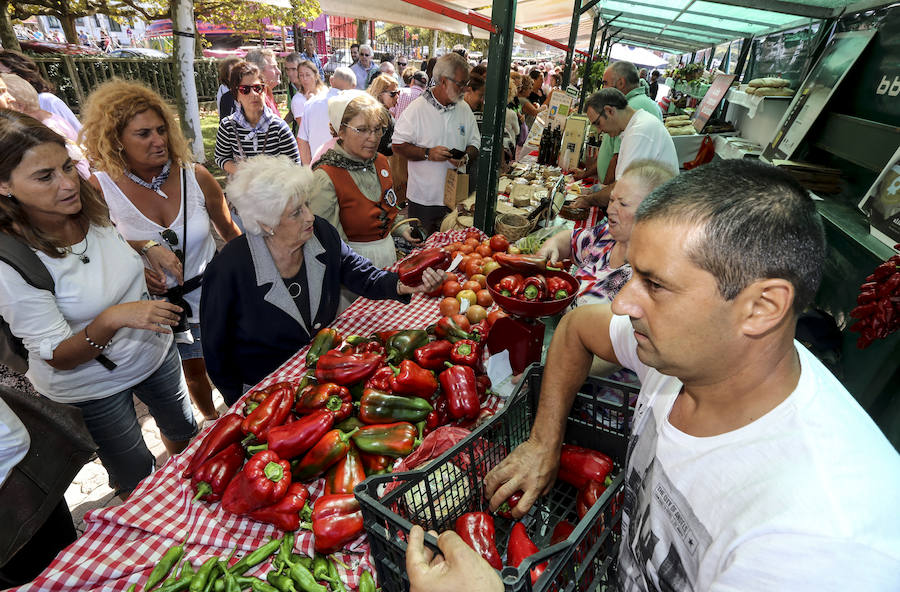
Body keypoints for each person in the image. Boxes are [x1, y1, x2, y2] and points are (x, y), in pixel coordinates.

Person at [408, 159, 900, 591]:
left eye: (655, 285)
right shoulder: (689, 354)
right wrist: (544, 441)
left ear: (762, 308)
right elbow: (579, 327)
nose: (622, 302)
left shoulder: (823, 544)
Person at [0, 110, 198, 499]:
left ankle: (188, 496)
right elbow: (57, 355)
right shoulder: (10, 261)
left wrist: (145, 251)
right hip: (91, 386)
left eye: (67, 167)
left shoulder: (87, 201)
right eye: (45, 177)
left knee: (185, 436)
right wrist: (114, 318)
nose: (67, 183)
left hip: (153, 353)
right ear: (4, 185)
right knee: (135, 473)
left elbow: (104, 254)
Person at [200, 155, 445, 405]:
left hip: (321, 382)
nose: (310, 217)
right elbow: (215, 351)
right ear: (266, 224)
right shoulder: (229, 269)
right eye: (296, 212)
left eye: (307, 204)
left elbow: (360, 273)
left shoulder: (322, 234)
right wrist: (238, 401)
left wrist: (402, 284)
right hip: (266, 393)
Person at [80, 80, 240, 425]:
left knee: (232, 359)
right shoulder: (100, 189)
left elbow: (230, 233)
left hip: (215, 294)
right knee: (193, 373)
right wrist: (143, 246)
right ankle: (213, 421)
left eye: (161, 130)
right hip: (156, 310)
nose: (158, 140)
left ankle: (241, 410)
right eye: (143, 134)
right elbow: (92, 253)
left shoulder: (195, 176)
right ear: (115, 140)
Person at [538, 160, 674, 307]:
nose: (610, 210)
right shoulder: (607, 236)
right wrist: (552, 246)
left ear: (654, 214)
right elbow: (571, 240)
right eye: (611, 200)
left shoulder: (648, 280)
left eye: (622, 204)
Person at [310, 92, 418, 265]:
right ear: (341, 131)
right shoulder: (325, 177)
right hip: (352, 267)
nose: (373, 138)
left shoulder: (381, 162)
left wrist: (402, 228)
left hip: (387, 257)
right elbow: (330, 243)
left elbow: (388, 206)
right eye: (362, 130)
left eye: (377, 129)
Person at [393, 52, 480, 236]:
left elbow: (475, 143)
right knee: (424, 251)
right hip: (424, 199)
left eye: (466, 85)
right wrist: (427, 153)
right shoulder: (417, 109)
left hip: (456, 199)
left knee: (453, 250)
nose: (465, 90)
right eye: (460, 84)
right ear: (443, 81)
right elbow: (397, 145)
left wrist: (465, 157)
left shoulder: (464, 108)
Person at [573, 89, 677, 210]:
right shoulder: (636, 127)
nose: (599, 130)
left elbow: (622, 190)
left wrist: (588, 200)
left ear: (609, 111)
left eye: (597, 123)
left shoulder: (639, 132)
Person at [574, 61, 662, 190]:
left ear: (621, 83)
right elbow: (610, 151)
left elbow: (617, 157)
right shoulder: (636, 103)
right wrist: (586, 174)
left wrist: (603, 193)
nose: (603, 88)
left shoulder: (631, 107)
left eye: (605, 83)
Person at [215, 61, 300, 177]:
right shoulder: (227, 126)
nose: (253, 94)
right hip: (241, 193)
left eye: (257, 88)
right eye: (245, 89)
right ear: (236, 95)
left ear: (264, 91)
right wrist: (244, 172)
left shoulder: (279, 128)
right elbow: (221, 157)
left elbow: (295, 166)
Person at [1, 73, 89, 180]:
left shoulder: (45, 127)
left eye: (4, 92)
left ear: (20, 106)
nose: (10, 99)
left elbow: (73, 158)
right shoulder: (48, 118)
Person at [0, 50, 81, 134]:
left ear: (26, 77)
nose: (1, 79)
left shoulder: (46, 100)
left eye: (2, 74)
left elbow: (80, 134)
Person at [298, 67, 356, 164]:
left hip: (317, 168)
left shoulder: (310, 103)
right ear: (353, 86)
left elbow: (302, 140)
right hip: (345, 168)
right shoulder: (353, 107)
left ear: (331, 80)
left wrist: (309, 171)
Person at [288, 58, 326, 133]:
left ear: (316, 76)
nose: (304, 79)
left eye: (308, 75)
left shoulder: (325, 91)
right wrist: (311, 103)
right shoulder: (298, 100)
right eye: (301, 75)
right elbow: (307, 129)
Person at [367, 74, 399, 157]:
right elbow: (381, 148)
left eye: (398, 92)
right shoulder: (378, 115)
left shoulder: (378, 112)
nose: (397, 96)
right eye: (393, 93)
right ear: (380, 94)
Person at [244, 48, 281, 112]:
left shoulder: (267, 94)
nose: (279, 72)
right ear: (258, 71)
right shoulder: (255, 101)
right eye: (273, 67)